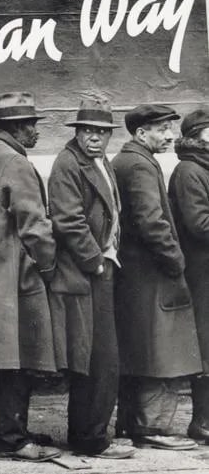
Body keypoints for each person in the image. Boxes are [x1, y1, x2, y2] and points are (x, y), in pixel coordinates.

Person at [0, 93, 62, 462]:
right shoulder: (15, 164)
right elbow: (35, 227)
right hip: (17, 278)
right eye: (31, 124)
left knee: (7, 359)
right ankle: (12, 439)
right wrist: (48, 267)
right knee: (20, 359)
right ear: (15, 128)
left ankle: (14, 430)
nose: (36, 130)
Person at [47, 98, 133, 459]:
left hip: (102, 267)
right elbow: (67, 220)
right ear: (77, 133)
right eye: (88, 132)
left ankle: (90, 432)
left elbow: (111, 211)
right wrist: (96, 262)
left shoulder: (100, 162)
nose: (95, 138)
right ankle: (90, 438)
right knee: (97, 358)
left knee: (101, 357)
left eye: (102, 133)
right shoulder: (68, 164)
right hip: (86, 273)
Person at [114, 104, 201, 450]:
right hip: (152, 273)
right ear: (141, 133)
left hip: (136, 273)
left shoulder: (127, 159)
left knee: (140, 348)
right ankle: (153, 429)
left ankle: (131, 424)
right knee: (159, 351)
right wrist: (176, 260)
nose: (169, 135)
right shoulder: (139, 164)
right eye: (163, 129)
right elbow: (152, 222)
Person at [171, 107, 209, 444]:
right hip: (202, 273)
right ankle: (202, 422)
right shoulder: (189, 171)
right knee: (207, 346)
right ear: (197, 136)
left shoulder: (202, 168)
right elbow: (199, 225)